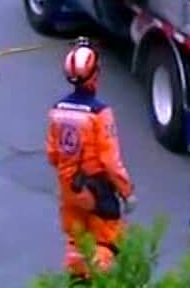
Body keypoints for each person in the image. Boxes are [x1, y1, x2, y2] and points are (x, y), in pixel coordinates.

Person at [46, 39, 133, 279]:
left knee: (76, 242)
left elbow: (53, 154)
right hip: (97, 189)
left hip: (68, 188)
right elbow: (110, 162)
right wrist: (126, 191)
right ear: (95, 75)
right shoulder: (99, 113)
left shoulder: (56, 110)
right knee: (107, 242)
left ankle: (76, 281)